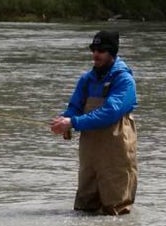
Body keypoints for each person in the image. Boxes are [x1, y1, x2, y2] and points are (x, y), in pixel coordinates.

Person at [50, 30, 138, 215]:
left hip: (116, 146)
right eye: (94, 49)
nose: (96, 54)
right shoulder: (86, 79)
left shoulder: (124, 80)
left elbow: (110, 112)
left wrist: (73, 122)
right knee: (84, 206)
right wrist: (64, 121)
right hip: (90, 148)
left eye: (101, 50)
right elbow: (75, 106)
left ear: (112, 53)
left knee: (116, 209)